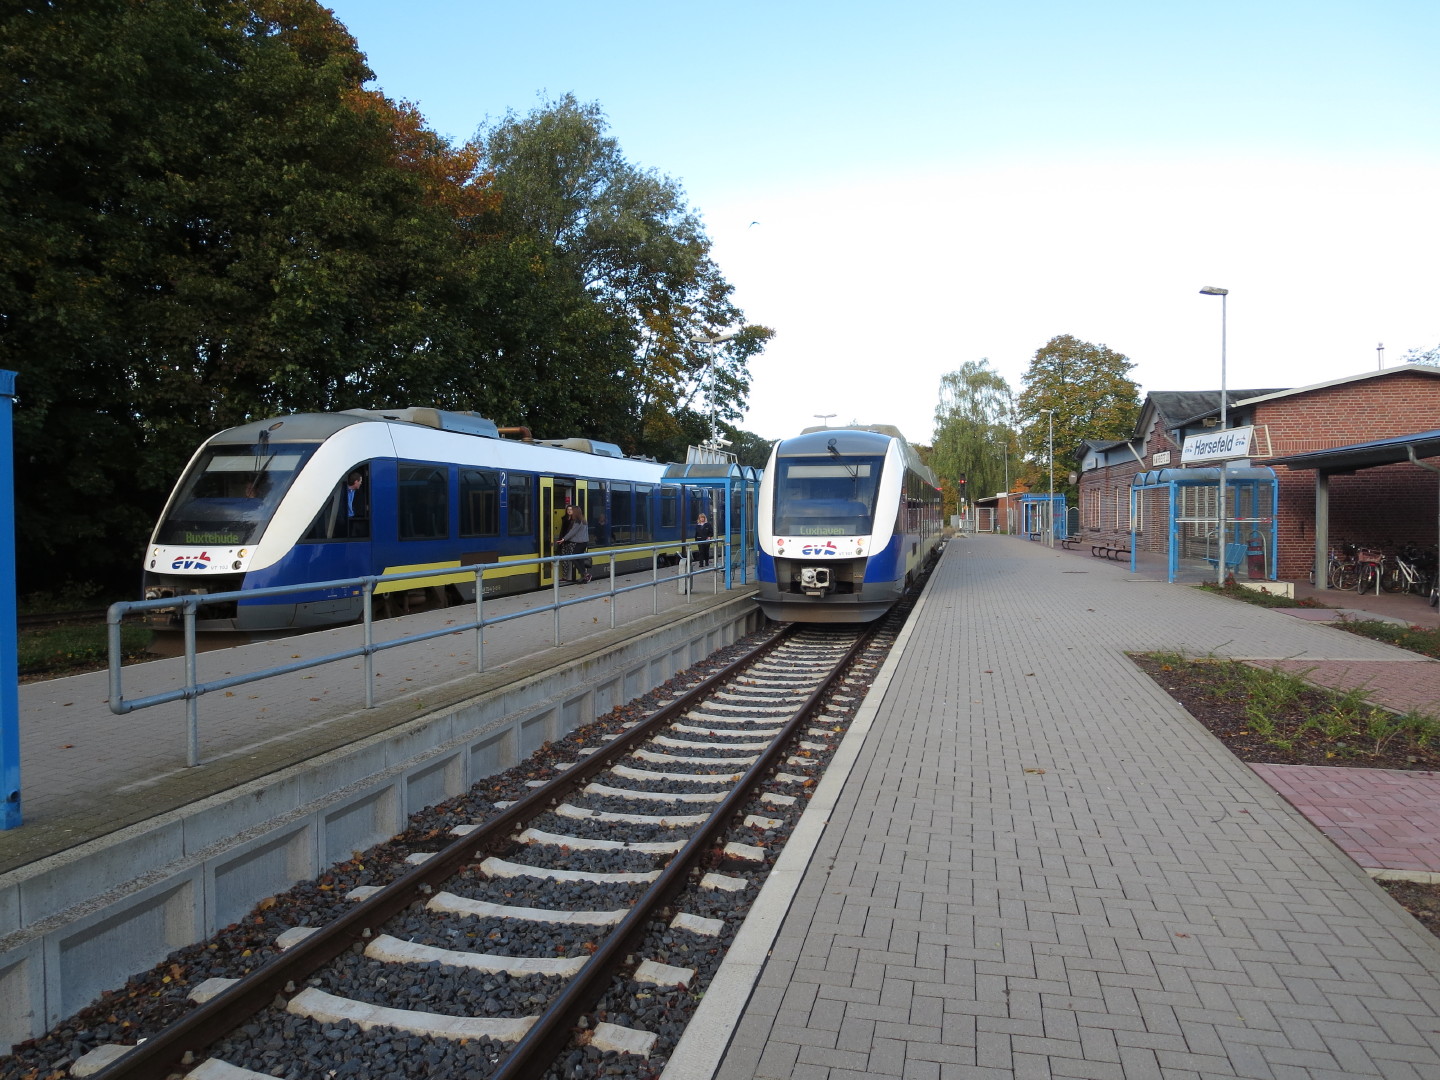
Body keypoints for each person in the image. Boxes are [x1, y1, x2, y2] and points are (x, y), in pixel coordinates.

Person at [559, 505, 591, 583]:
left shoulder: (577, 521)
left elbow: (572, 532)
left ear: (575, 512)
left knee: (573, 557)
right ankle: (584, 576)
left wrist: (564, 539)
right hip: (584, 542)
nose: (570, 511)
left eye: (572, 510)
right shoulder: (583, 520)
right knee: (579, 559)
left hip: (579, 543)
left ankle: (585, 574)